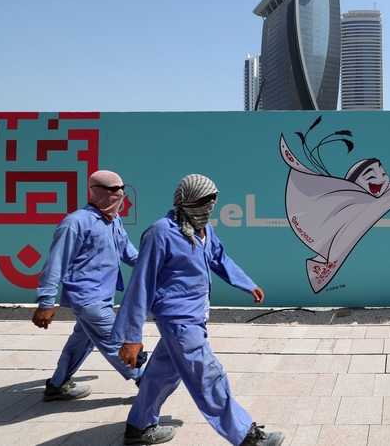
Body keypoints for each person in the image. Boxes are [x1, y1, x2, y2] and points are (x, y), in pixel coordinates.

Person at [111, 174, 284, 446]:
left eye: (212, 200)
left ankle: (138, 427)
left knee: (160, 375)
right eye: (203, 200)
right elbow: (140, 284)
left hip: (195, 316)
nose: (209, 206)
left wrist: (247, 284)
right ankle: (247, 437)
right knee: (209, 376)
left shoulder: (204, 230)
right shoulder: (161, 233)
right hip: (179, 321)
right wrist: (131, 337)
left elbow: (220, 259)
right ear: (185, 200)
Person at [33, 170, 145, 402]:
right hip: (87, 298)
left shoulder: (113, 220)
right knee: (120, 342)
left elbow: (129, 253)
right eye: (114, 189)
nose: (121, 193)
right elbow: (56, 262)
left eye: (122, 187)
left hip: (103, 295)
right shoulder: (76, 222)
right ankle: (147, 383)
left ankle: (57, 385)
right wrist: (46, 301)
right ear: (96, 192)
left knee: (81, 342)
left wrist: (157, 270)